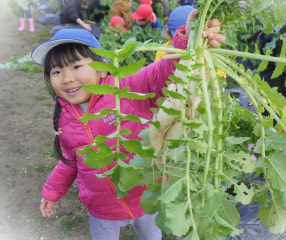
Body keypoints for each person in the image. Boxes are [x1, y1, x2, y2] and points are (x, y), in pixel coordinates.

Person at [31, 10, 225, 240]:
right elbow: (69, 161)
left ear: (102, 68)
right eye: (56, 71)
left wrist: (187, 37)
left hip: (144, 197)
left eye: (75, 66)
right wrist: (51, 192)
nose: (67, 78)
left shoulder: (128, 89)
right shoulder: (64, 117)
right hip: (102, 208)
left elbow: (164, 71)